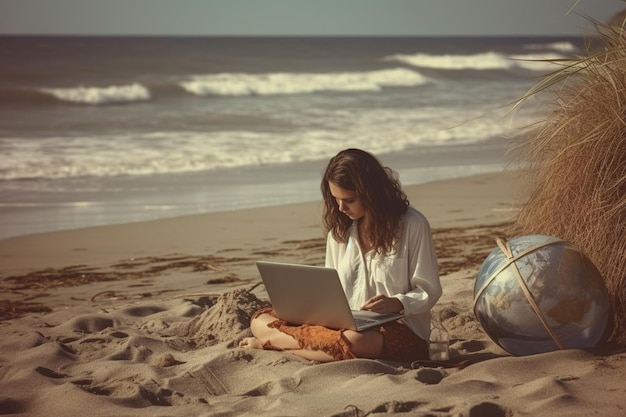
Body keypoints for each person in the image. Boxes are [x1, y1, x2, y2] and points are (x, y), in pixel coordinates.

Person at [239, 148, 442, 362]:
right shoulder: (340, 232)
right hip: (347, 324)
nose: (341, 207)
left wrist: (398, 303)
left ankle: (272, 344)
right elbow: (330, 290)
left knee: (355, 343)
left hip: (400, 330)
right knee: (259, 319)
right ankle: (304, 345)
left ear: (372, 194)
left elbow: (429, 290)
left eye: (350, 200)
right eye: (336, 199)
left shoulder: (413, 225)